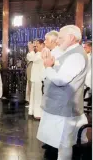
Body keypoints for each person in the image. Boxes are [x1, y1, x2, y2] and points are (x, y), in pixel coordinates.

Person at [37, 25, 88, 160]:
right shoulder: (69, 52)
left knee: (63, 144)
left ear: (71, 38)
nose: (58, 41)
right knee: (58, 143)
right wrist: (51, 64)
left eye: (60, 38)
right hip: (59, 106)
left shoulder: (76, 55)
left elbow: (60, 80)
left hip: (65, 108)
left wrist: (48, 66)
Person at [27, 39, 45, 119]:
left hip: (39, 77)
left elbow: (34, 59)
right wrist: (31, 50)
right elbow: (29, 57)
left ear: (42, 45)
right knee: (33, 95)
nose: (36, 46)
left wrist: (31, 50)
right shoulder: (37, 53)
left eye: (37, 44)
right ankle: (33, 111)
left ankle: (38, 113)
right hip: (35, 77)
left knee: (38, 96)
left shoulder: (43, 53)